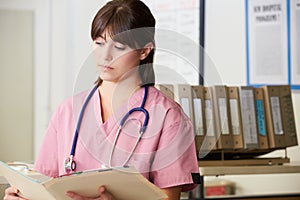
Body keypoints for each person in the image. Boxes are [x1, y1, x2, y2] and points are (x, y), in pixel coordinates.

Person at [4, 0, 199, 199]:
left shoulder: (168, 117)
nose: (105, 56)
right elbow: (44, 185)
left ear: (144, 51)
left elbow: (169, 197)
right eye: (99, 43)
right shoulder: (69, 111)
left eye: (119, 47)